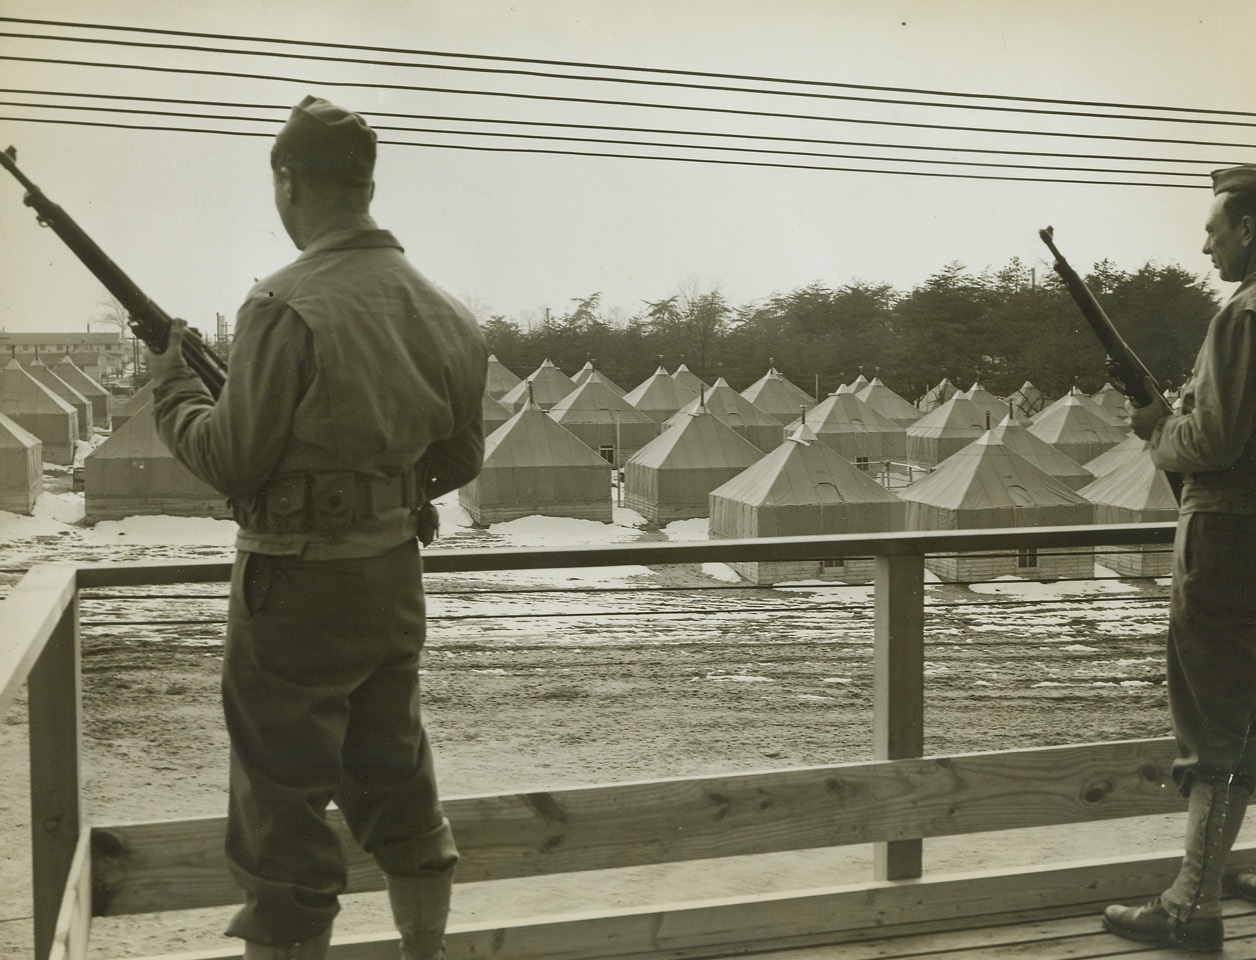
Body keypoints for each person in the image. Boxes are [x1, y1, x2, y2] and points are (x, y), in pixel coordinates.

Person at [148, 95, 488, 960]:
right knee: (398, 775)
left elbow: (231, 461)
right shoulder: (446, 310)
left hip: (294, 590)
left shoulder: (281, 302)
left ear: (290, 182)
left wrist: (173, 386)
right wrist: (384, 487)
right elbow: (464, 458)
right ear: (366, 186)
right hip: (392, 578)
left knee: (280, 814)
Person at [1103, 164, 1256, 952]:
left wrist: (1159, 430)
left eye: (1215, 229)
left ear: (1251, 230)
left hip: (1229, 538)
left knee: (1215, 724)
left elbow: (1216, 441)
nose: (1206, 245)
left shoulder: (1242, 317)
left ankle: (1190, 907)